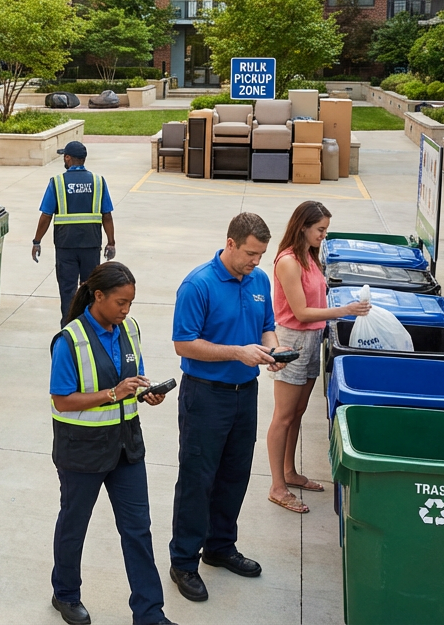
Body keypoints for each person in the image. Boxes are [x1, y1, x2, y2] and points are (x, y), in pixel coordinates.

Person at [168, 212, 288, 603]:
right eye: (251, 253)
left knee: (234, 474)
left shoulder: (259, 280)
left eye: (261, 255)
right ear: (231, 243)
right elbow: (184, 344)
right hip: (206, 395)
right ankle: (183, 561)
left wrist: (272, 350)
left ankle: (219, 547)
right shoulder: (198, 284)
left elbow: (267, 324)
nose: (256, 261)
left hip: (245, 393)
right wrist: (237, 352)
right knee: (197, 478)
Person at [49, 263, 176, 625]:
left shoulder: (129, 329)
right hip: (82, 450)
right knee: (75, 525)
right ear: (98, 296)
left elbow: (131, 383)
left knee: (138, 529)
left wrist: (144, 394)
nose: (126, 310)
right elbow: (62, 399)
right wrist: (111, 394)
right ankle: (66, 594)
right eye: (121, 302)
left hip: (126, 448)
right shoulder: (69, 340)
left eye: (131, 303)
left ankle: (150, 613)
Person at [266, 201, 370, 514]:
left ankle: (289, 471)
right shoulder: (288, 262)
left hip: (313, 337)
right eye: (320, 229)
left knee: (298, 411)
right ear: (302, 227)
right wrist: (345, 311)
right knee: (283, 416)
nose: (324, 235)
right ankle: (277, 486)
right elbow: (300, 311)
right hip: (293, 340)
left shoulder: (310, 257)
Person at [32, 141, 116, 326]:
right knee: (91, 289)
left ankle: (69, 328)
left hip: (66, 246)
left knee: (68, 291)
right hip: (91, 245)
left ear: (68, 158)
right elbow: (107, 215)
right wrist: (111, 242)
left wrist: (37, 241)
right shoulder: (98, 181)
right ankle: (91, 327)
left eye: (65, 156)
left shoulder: (57, 182)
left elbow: (46, 215)